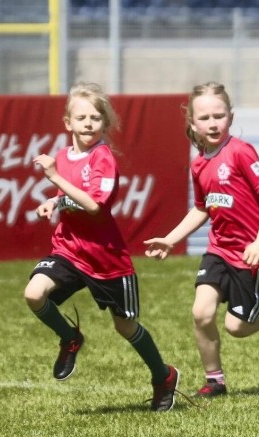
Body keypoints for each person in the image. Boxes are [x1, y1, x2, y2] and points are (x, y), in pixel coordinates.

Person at [144, 82, 259, 399]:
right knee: (201, 313)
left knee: (238, 327)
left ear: (230, 118)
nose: (212, 123)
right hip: (218, 251)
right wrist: (169, 239)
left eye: (219, 115)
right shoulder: (198, 164)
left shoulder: (241, 152)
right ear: (193, 123)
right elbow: (202, 208)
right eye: (204, 117)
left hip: (250, 256)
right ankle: (215, 381)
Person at [25, 82, 180, 412]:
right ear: (68, 122)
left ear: (104, 123)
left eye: (96, 117)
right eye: (81, 117)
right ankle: (70, 338)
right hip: (69, 249)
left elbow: (94, 205)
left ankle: (163, 376)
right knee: (34, 294)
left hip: (106, 259)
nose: (88, 123)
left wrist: (54, 180)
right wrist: (53, 203)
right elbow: (72, 195)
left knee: (125, 326)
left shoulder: (103, 158)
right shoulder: (65, 156)